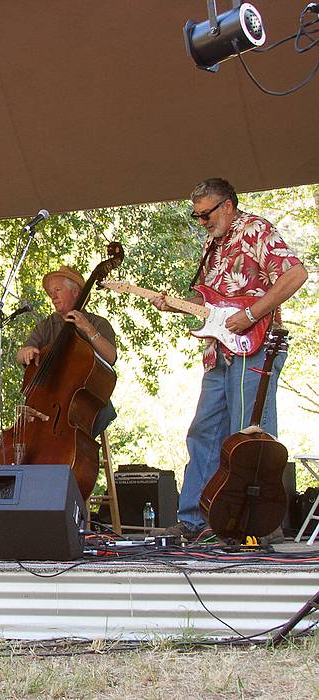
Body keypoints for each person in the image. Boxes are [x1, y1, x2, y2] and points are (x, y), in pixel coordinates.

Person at [153, 178, 307, 543]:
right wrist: (172, 305)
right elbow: (215, 311)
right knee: (203, 432)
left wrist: (253, 313)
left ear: (227, 205)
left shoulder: (256, 229)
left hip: (255, 346)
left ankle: (257, 524)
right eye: (197, 216)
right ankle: (195, 519)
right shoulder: (211, 245)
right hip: (218, 352)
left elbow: (295, 274)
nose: (202, 222)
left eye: (206, 214)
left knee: (248, 435)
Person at [15, 265, 118, 438]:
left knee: (97, 415)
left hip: (85, 404)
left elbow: (111, 358)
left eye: (57, 290)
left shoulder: (98, 323)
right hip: (48, 403)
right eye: (50, 292)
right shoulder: (46, 326)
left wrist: (88, 329)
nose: (52, 296)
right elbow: (20, 356)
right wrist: (26, 351)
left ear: (76, 292)